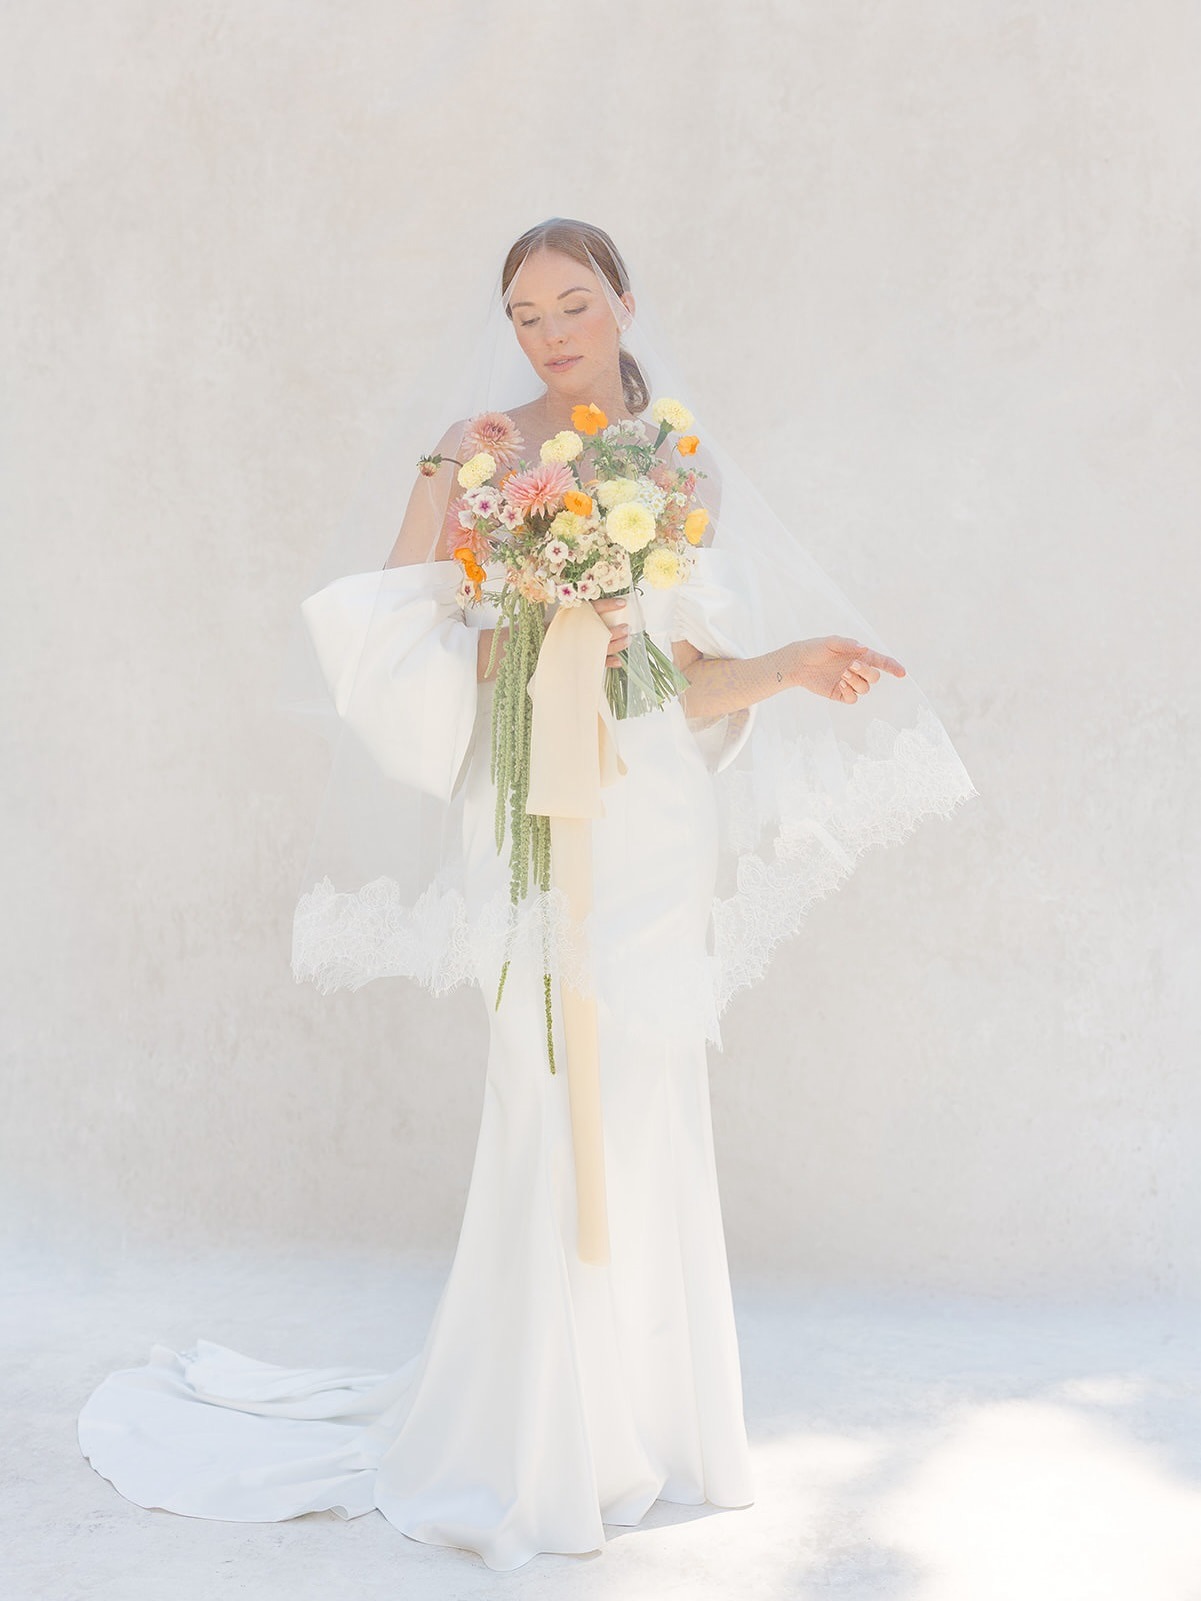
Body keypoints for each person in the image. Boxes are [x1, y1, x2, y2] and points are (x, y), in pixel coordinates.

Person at [78, 218, 977, 1571]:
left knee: (646, 1092)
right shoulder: (490, 448)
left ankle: (645, 1425)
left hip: (652, 816)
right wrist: (453, 479)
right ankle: (536, 1435)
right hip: (528, 799)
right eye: (522, 313)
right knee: (543, 1086)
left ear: (624, 302)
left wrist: (788, 663)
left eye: (571, 303)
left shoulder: (676, 463)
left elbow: (676, 678)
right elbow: (397, 620)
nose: (549, 332)